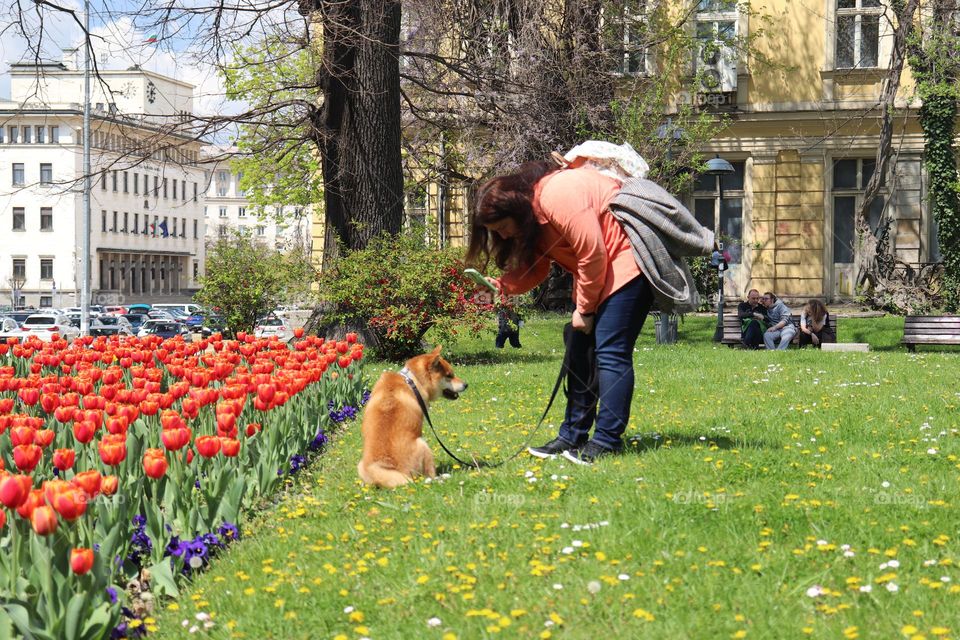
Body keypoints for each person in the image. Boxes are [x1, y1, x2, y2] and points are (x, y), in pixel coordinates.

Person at [465, 161, 654, 465]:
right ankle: (572, 436)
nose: (501, 236)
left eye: (501, 228)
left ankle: (607, 441)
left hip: (627, 265)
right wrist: (501, 286)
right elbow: (537, 267)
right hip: (600, 272)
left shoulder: (558, 194)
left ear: (516, 207)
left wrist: (584, 309)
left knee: (610, 351)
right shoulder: (534, 220)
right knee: (579, 349)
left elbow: (592, 251)